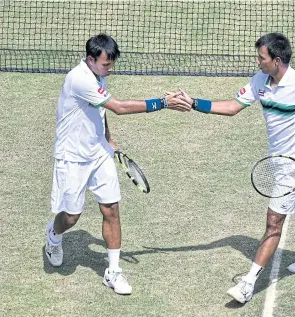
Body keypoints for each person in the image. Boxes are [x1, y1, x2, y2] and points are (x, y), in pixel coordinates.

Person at [176, 32, 295, 304]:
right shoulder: (260, 80)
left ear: (276, 60)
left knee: (274, 221)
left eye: (261, 58)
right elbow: (231, 107)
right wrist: (193, 103)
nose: (257, 62)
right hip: (274, 159)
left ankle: (249, 282)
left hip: (294, 165)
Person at [45, 33, 191, 295]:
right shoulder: (79, 78)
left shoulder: (98, 76)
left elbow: (98, 110)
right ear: (90, 59)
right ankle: (53, 236)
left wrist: (108, 139)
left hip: (99, 152)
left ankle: (113, 272)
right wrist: (164, 102)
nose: (110, 69)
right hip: (72, 157)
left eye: (112, 64)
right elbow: (119, 107)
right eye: (105, 65)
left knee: (111, 208)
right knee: (71, 217)